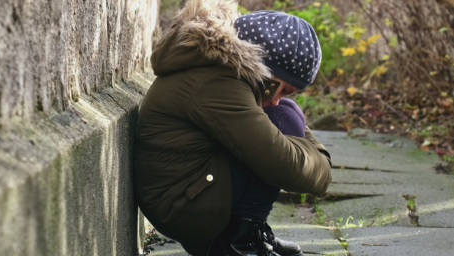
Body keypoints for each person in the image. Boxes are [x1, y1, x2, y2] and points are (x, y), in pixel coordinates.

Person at [134, 0, 332, 255]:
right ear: (264, 66)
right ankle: (238, 242)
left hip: (187, 192)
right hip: (181, 206)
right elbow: (282, 163)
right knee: (283, 121)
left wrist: (314, 156)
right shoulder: (220, 82)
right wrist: (322, 161)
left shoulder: (219, 68)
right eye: (280, 88)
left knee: (285, 113)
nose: (274, 98)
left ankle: (248, 230)